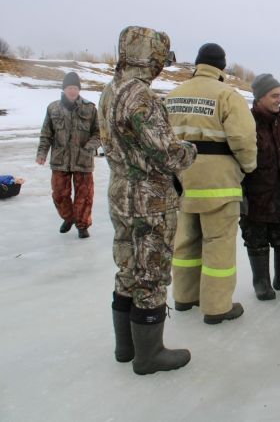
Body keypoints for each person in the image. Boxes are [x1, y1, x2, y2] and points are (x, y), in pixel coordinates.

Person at [98, 26, 197, 375]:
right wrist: (188, 151)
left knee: (127, 267)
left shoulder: (109, 92)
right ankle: (149, 354)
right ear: (151, 57)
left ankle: (126, 348)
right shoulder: (142, 97)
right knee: (151, 274)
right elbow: (167, 153)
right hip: (150, 199)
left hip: (120, 192)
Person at [165, 43, 258, 324]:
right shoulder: (226, 96)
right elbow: (243, 139)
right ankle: (217, 307)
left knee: (186, 242)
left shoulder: (172, 96)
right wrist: (248, 167)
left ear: (197, 64)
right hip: (218, 183)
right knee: (218, 244)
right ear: (221, 67)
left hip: (181, 181)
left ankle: (184, 296)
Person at [240, 74, 280, 301]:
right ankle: (262, 282)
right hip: (256, 194)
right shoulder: (245, 121)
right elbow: (236, 160)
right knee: (256, 239)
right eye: (274, 95)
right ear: (260, 97)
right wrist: (240, 193)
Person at [36, 72, 100, 238]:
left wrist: (89, 148)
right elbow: (46, 134)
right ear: (64, 89)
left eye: (75, 88)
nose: (72, 91)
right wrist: (42, 153)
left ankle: (82, 225)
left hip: (83, 160)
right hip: (60, 160)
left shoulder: (90, 108)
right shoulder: (53, 108)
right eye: (69, 88)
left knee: (84, 196)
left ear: (79, 89)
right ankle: (69, 217)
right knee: (59, 194)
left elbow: (99, 133)